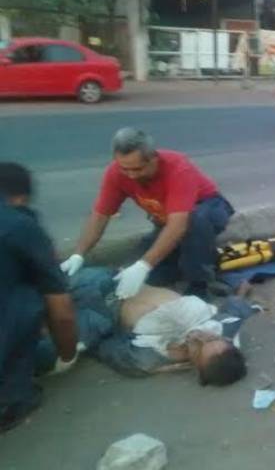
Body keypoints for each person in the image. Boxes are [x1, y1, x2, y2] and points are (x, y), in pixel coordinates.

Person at [60, 128, 235, 300]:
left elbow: (179, 224)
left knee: (193, 222)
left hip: (208, 208)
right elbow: (100, 216)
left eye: (137, 169)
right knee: (139, 270)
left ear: (154, 159)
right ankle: (196, 260)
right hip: (168, 218)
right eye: (124, 169)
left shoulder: (178, 168)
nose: (131, 175)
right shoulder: (116, 173)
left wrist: (144, 265)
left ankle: (200, 284)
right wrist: (78, 255)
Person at [36, 267, 257, 386]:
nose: (199, 337)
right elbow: (237, 306)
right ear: (225, 340)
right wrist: (243, 290)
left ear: (196, 368)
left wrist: (154, 366)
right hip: (107, 279)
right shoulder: (224, 326)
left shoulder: (151, 356)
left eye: (198, 348)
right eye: (211, 338)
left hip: (95, 312)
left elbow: (106, 348)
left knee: (42, 347)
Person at [0, 163, 78, 433]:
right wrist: (67, 356)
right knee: (30, 297)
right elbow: (62, 311)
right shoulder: (21, 226)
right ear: (21, 197)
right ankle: (13, 398)